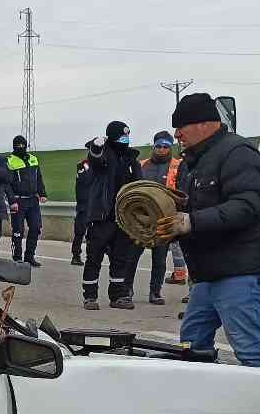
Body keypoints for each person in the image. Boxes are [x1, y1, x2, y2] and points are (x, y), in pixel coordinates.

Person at [153, 93, 260, 365]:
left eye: (181, 126)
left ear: (205, 124)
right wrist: (167, 225)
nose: (177, 134)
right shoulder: (191, 163)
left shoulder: (237, 153)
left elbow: (247, 206)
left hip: (239, 275)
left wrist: (190, 222)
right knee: (192, 345)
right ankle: (201, 403)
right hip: (207, 277)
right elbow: (189, 208)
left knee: (250, 352)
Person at [81, 121, 143, 310]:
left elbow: (138, 184)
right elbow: (95, 159)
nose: (125, 140)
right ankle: (90, 297)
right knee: (94, 257)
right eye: (122, 137)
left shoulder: (131, 158)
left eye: (127, 137)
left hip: (123, 217)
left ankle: (118, 296)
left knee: (120, 258)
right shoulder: (103, 153)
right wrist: (96, 146)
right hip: (102, 216)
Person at [140, 130, 186, 305]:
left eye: (165, 146)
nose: (161, 149)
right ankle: (125, 289)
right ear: (153, 146)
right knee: (132, 255)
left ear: (170, 147)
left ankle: (155, 292)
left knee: (159, 259)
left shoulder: (178, 165)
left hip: (165, 219)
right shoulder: (142, 164)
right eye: (158, 146)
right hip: (142, 219)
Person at [5, 135, 47, 265]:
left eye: (23, 145)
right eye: (18, 146)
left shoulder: (33, 159)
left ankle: (29, 256)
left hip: (33, 200)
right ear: (14, 146)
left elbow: (38, 178)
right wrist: (12, 201)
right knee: (18, 231)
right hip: (18, 201)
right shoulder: (10, 161)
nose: (21, 148)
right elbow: (6, 184)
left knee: (35, 228)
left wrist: (42, 193)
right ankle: (17, 258)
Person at [71, 158, 91, 266]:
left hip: (95, 205)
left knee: (93, 233)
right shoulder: (83, 165)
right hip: (84, 205)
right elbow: (86, 179)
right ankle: (76, 255)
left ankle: (92, 256)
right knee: (79, 232)